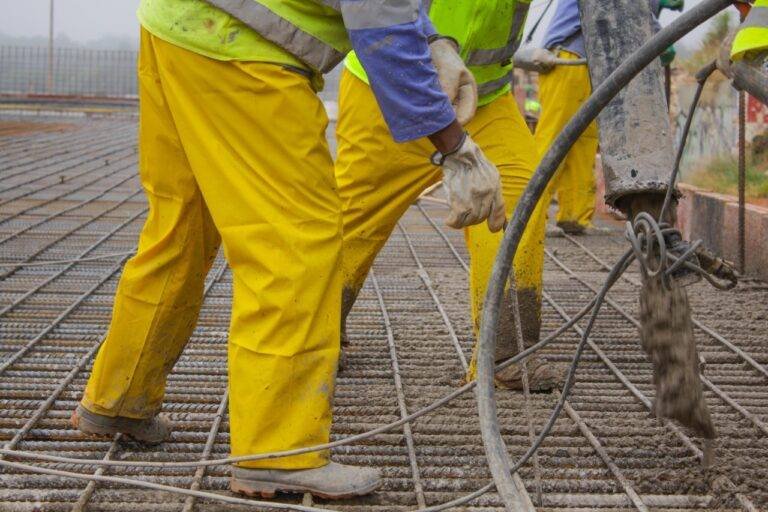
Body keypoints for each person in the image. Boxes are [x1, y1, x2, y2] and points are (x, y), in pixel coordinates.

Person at [70, 0, 506, 500]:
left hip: (177, 27)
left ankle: (119, 396)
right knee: (297, 243)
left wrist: (430, 39)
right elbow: (377, 16)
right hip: (243, 49)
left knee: (183, 226)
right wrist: (455, 147)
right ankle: (278, 451)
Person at [336, 0, 567, 392]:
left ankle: (504, 352)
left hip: (483, 98)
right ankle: (318, 329)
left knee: (521, 199)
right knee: (355, 216)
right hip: (393, 84)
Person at [535, 0, 682, 235]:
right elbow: (630, 7)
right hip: (568, 59)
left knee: (584, 143)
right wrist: (660, 37)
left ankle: (574, 216)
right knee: (555, 140)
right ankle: (532, 218)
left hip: (588, 63)